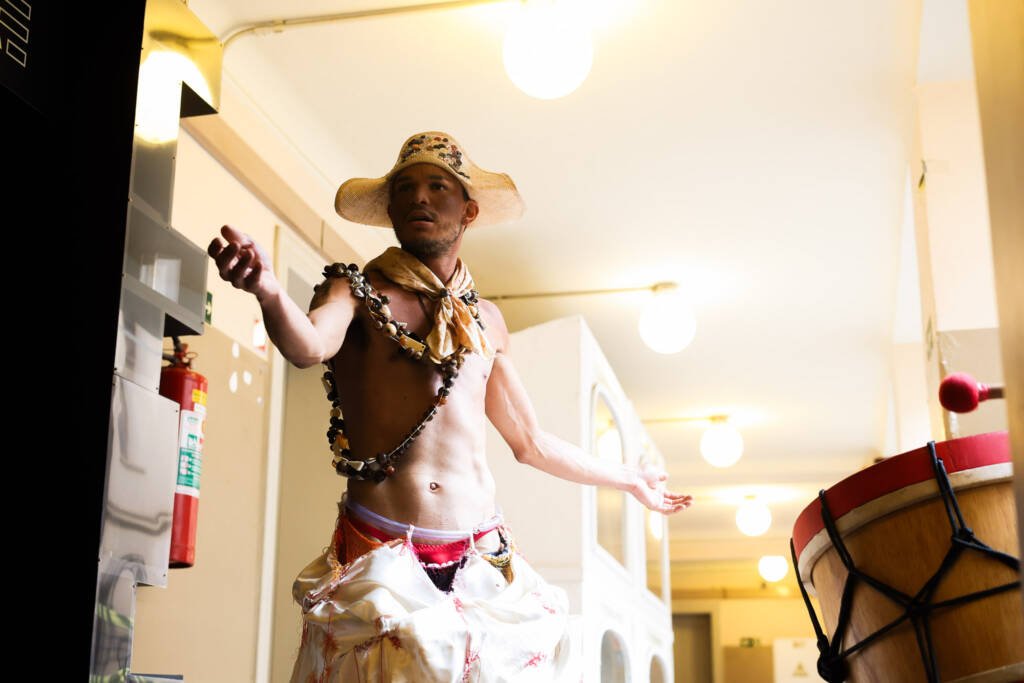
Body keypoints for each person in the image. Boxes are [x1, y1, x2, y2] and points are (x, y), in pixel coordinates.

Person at [208, 131, 692, 681]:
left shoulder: (485, 319)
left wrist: (628, 478)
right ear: (390, 209)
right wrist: (269, 290)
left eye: (438, 186)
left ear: (468, 211)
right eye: (406, 188)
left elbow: (530, 442)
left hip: (485, 556)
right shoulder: (356, 290)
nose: (421, 198)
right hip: (383, 555)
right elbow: (308, 346)